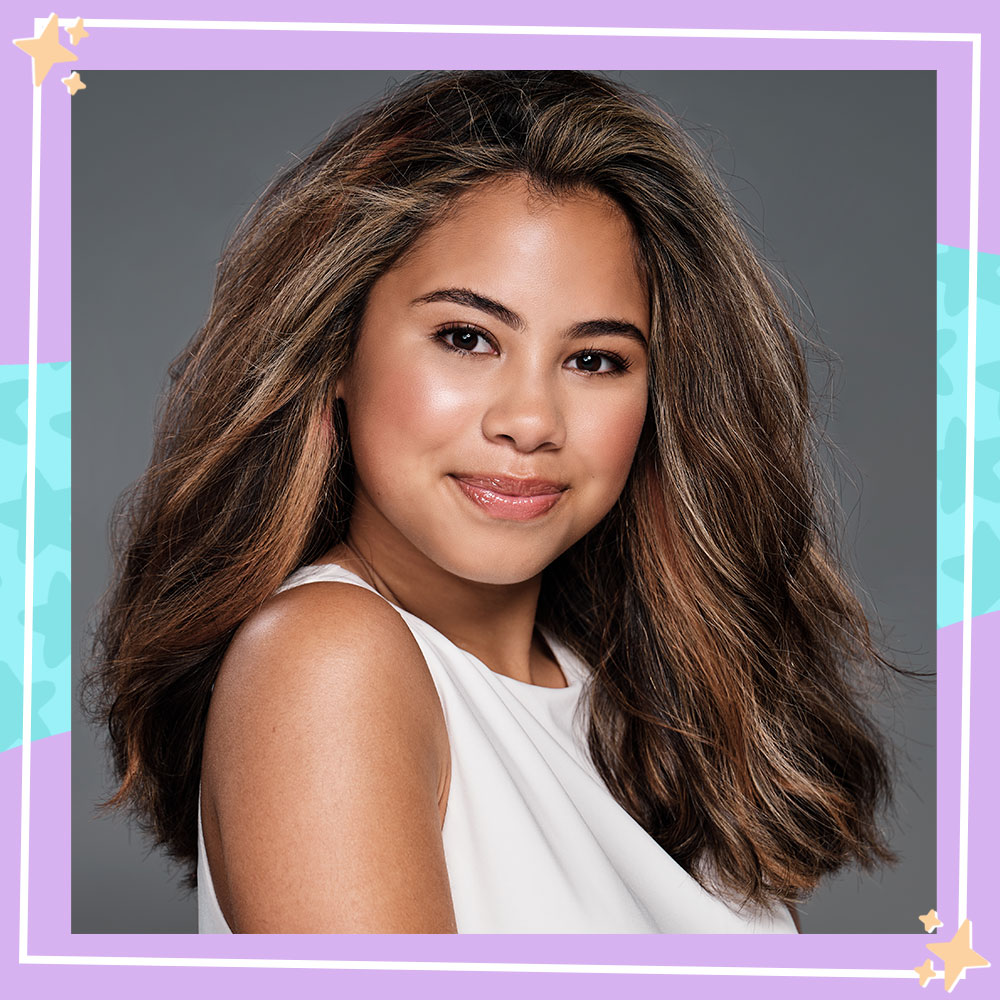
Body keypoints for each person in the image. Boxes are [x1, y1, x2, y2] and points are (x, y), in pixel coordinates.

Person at [87, 70, 896, 934]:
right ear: (334, 357)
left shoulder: (637, 707)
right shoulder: (326, 659)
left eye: (594, 359)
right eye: (466, 338)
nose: (530, 421)